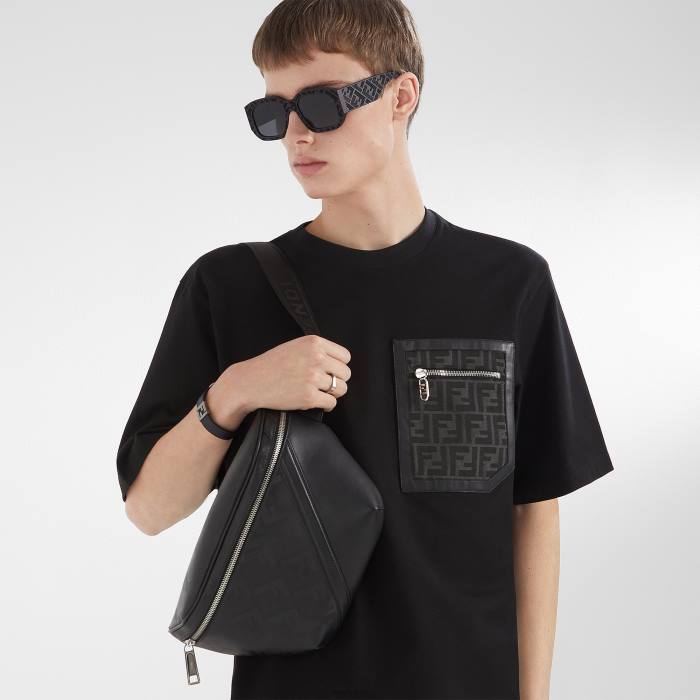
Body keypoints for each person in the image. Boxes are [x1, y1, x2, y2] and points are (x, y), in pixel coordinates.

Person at [116, 1, 615, 698]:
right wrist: (235, 392)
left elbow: (532, 510)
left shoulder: (508, 283)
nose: (296, 134)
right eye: (273, 113)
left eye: (321, 104)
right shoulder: (227, 286)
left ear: (401, 96)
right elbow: (149, 510)